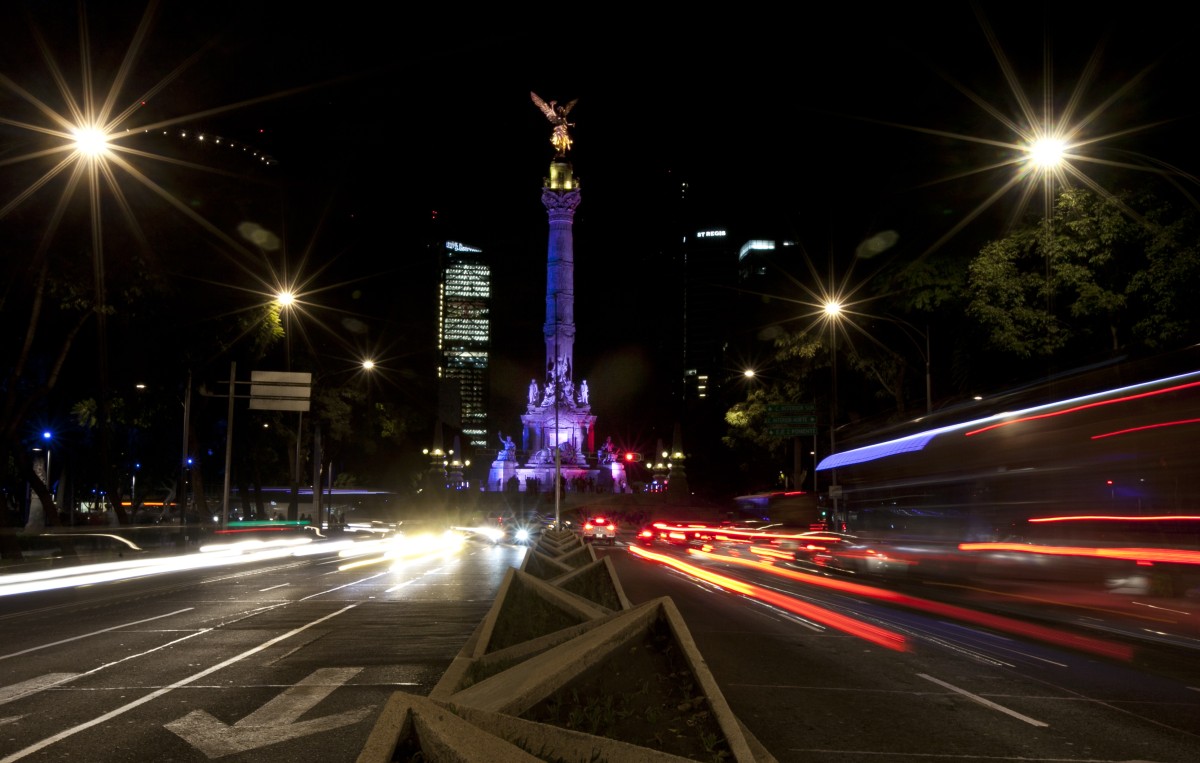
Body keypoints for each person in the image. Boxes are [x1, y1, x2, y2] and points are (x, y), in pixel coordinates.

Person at [531, 92, 578, 157]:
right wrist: (552, 105)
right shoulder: (556, 116)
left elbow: (566, 123)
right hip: (558, 131)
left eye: (562, 109)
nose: (561, 110)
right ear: (559, 110)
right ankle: (559, 151)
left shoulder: (563, 117)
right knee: (557, 141)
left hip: (563, 130)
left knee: (564, 141)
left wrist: (572, 124)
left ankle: (562, 152)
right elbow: (552, 112)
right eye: (560, 109)